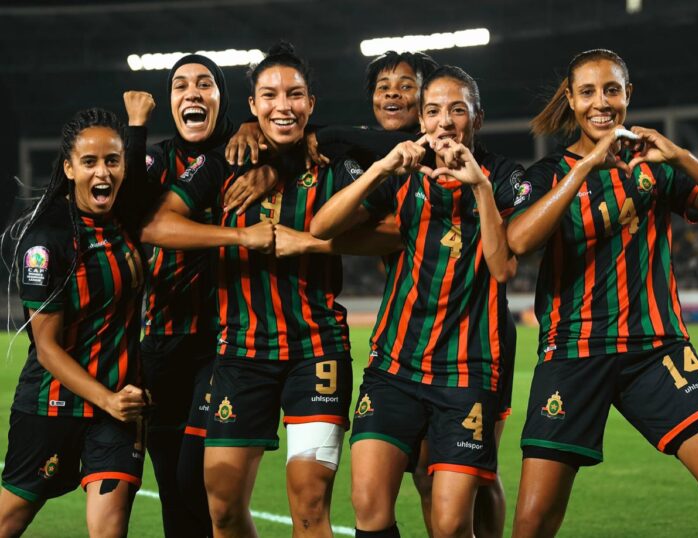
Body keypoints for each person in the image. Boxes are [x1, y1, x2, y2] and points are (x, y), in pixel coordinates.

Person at [142, 42, 399, 538]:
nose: (284, 105)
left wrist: (315, 242)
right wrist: (239, 236)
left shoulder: (333, 162)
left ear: (311, 103)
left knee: (309, 506)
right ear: (253, 105)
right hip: (240, 355)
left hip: (317, 350)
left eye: (295, 94)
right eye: (270, 95)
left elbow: (393, 232)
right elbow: (156, 226)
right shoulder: (221, 163)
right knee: (222, 509)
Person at [506, 48, 698, 538]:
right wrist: (585, 167)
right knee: (533, 525)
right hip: (573, 353)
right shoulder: (548, 173)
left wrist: (682, 157)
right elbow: (518, 241)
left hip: (657, 350)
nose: (601, 102)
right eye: (588, 92)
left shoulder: (655, 166)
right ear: (571, 100)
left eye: (612, 90)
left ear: (628, 94)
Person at [310, 66, 520, 538]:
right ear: (421, 120)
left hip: (466, 371)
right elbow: (322, 227)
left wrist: (480, 187)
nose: (444, 121)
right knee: (368, 504)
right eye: (433, 111)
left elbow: (503, 268)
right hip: (395, 366)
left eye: (457, 110)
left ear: (477, 118)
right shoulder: (403, 172)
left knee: (450, 524)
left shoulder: (504, 175)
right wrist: (381, 169)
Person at [0, 94, 154, 538]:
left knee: (108, 530)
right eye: (89, 162)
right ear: (69, 169)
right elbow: (47, 349)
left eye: (112, 161)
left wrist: (137, 123)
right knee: (8, 522)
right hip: (52, 405)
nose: (103, 172)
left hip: (119, 408)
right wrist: (105, 399)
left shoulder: (124, 217)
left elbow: (137, 171)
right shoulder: (46, 243)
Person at [141, 53, 274, 538]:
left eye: (204, 83)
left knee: (195, 482)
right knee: (173, 493)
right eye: (180, 85)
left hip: (224, 342)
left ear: (223, 97)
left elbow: (303, 138)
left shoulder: (248, 152)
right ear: (170, 101)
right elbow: (137, 220)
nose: (191, 93)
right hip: (160, 340)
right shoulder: (154, 161)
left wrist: (260, 139)